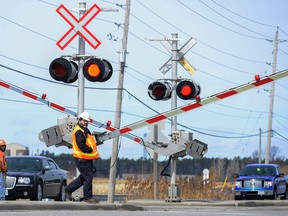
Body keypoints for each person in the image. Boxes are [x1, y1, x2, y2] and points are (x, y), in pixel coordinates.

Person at [65, 112, 99, 203]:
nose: (86, 123)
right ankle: (88, 197)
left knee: (84, 177)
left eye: (87, 121)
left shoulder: (84, 130)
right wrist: (89, 150)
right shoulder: (79, 131)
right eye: (84, 121)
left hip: (86, 158)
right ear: (80, 120)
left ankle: (68, 189)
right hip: (81, 158)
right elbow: (81, 145)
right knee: (88, 177)